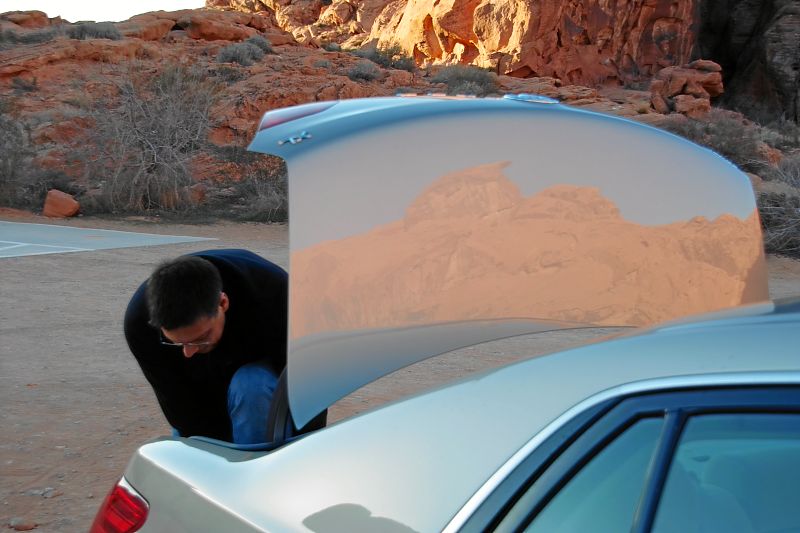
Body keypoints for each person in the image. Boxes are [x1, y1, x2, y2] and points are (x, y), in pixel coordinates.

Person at [124, 249, 287, 444]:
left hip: (260, 385)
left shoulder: (277, 295)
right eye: (177, 343)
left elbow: (307, 384)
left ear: (223, 303)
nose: (188, 352)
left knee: (250, 385)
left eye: (200, 337)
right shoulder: (139, 323)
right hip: (198, 389)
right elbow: (179, 407)